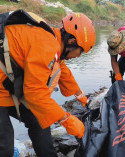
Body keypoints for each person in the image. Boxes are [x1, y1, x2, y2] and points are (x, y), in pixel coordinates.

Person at [0, 10, 96, 156]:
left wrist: (79, 94)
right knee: (5, 144)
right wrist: (67, 120)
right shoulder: (47, 44)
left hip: (5, 87)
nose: (78, 56)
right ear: (72, 42)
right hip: (3, 89)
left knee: (39, 120)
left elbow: (62, 70)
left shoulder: (52, 38)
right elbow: (34, 93)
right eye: (80, 51)